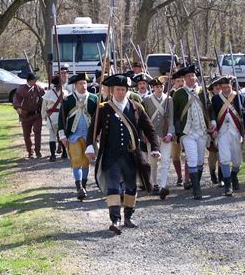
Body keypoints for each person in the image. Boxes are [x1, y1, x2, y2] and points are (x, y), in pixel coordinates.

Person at [85, 74, 160, 234]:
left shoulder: (136, 108)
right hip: (111, 156)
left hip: (131, 156)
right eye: (118, 89)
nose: (120, 92)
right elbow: (93, 130)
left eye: (123, 90)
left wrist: (155, 147)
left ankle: (128, 216)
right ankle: (115, 220)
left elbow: (149, 129)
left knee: (131, 187)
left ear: (127, 91)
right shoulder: (103, 108)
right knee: (113, 187)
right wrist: (89, 146)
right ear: (112, 91)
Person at [173, 65, 214, 200]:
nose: (191, 78)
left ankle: (196, 182)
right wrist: (179, 133)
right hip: (187, 132)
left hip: (202, 131)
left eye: (193, 75)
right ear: (184, 78)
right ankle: (197, 189)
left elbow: (209, 108)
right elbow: (176, 115)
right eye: (188, 76)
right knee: (192, 158)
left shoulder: (202, 92)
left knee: (200, 160)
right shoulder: (179, 93)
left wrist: (212, 121)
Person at [58, 72, 98, 200]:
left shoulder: (94, 99)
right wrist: (62, 135)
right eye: (81, 83)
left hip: (89, 135)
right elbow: (61, 119)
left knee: (86, 161)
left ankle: (84, 185)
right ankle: (79, 186)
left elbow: (98, 118)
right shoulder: (67, 100)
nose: (83, 85)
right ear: (75, 85)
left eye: (85, 83)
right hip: (73, 135)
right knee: (76, 160)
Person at [210, 75, 245, 196]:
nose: (226, 89)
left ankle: (233, 175)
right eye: (223, 87)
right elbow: (212, 113)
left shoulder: (239, 97)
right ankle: (228, 185)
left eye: (227, 87)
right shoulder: (216, 99)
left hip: (236, 132)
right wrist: (213, 125)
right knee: (225, 158)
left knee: (237, 162)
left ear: (231, 86)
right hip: (222, 133)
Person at [143, 77, 174, 200]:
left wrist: (170, 133)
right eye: (156, 87)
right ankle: (154, 183)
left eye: (161, 86)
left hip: (165, 134)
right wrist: (146, 134)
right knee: (153, 162)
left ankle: (163, 186)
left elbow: (171, 118)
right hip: (153, 135)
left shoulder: (169, 100)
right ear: (153, 88)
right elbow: (145, 119)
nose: (159, 88)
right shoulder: (147, 100)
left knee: (165, 160)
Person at [13, 72, 45, 158]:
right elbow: (16, 99)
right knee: (27, 134)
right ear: (30, 81)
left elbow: (44, 98)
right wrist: (18, 108)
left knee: (37, 131)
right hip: (25, 115)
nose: (36, 82)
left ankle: (38, 151)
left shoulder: (38, 89)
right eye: (35, 80)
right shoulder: (21, 89)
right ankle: (30, 151)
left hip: (37, 115)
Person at [41, 76, 68, 161]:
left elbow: (44, 107)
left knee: (52, 136)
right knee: (62, 135)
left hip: (52, 117)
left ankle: (53, 155)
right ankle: (64, 153)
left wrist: (44, 116)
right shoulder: (65, 93)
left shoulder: (48, 94)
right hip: (61, 117)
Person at [206, 76, 223, 186]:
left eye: (219, 85)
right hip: (211, 130)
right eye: (215, 86)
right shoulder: (207, 99)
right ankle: (212, 173)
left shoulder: (226, 97)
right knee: (213, 156)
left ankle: (221, 177)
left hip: (223, 129)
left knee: (223, 155)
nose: (218, 87)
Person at [170, 71, 185, 186]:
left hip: (186, 128)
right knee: (176, 155)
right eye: (178, 81)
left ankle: (188, 178)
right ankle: (180, 176)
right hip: (175, 128)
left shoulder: (188, 93)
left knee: (190, 154)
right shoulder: (170, 95)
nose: (180, 83)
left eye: (182, 81)